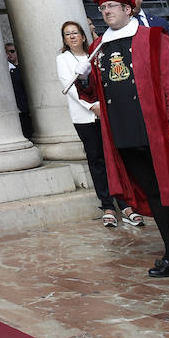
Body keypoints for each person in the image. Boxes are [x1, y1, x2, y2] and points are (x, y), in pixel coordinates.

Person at [77, 0, 169, 285]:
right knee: (156, 196)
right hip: (126, 135)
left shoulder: (154, 39)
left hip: (160, 132)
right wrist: (84, 79)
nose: (106, 11)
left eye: (112, 6)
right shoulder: (100, 46)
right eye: (102, 8)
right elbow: (97, 90)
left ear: (128, 9)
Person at [57, 21, 142, 228]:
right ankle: (107, 206)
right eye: (67, 35)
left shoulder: (95, 52)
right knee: (96, 160)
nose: (72, 37)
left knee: (115, 157)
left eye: (75, 33)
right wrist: (92, 106)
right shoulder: (63, 59)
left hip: (107, 112)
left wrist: (104, 106)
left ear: (83, 36)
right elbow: (69, 85)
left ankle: (125, 204)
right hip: (85, 117)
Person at [5, 41, 33, 139]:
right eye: (6, 52)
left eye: (12, 51)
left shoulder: (24, 68)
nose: (9, 54)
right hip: (17, 109)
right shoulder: (8, 69)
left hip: (26, 108)